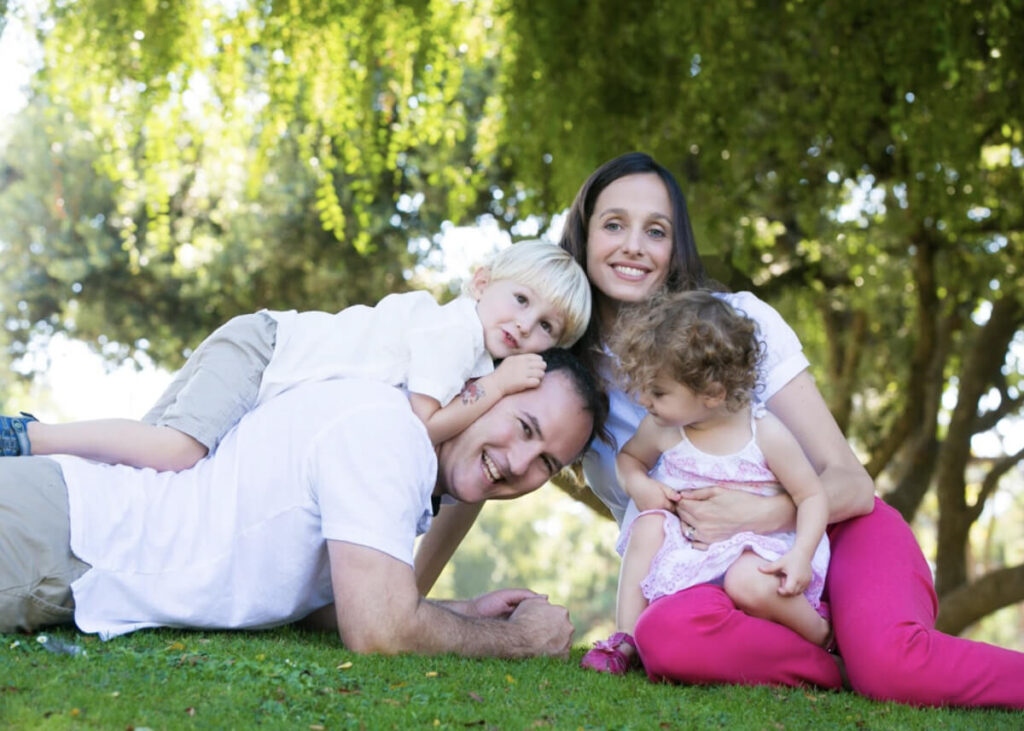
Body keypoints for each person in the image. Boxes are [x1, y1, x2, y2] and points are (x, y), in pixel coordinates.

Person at [418, 152, 1024, 708]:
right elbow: (477, 470)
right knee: (668, 639)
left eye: (656, 230)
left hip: (836, 536)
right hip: (710, 581)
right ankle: (835, 662)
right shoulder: (553, 367)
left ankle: (869, 651)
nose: (634, 246)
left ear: (675, 245)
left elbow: (851, 483)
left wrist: (758, 515)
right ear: (583, 233)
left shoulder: (738, 325)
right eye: (613, 225)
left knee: (895, 671)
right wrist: (407, 594)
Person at [0, 349, 605, 660]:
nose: (522, 464)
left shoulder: (401, 448)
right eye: (526, 427)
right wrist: (520, 642)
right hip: (59, 532)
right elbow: (378, 631)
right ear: (482, 386)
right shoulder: (387, 433)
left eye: (548, 463)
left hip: (69, 534)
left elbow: (331, 602)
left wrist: (467, 611)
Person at [0, 240, 590, 470]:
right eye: (519, 299)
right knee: (177, 451)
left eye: (545, 327)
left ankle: (35, 462)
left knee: (146, 459)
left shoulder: (468, 349)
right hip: (264, 354)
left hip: (262, 348)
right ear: (482, 282)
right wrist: (504, 385)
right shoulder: (455, 333)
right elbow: (420, 427)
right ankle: (31, 436)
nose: (524, 325)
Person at [581, 291, 831, 674]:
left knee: (745, 582)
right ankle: (625, 638)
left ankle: (820, 633)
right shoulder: (664, 427)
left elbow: (812, 495)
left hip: (759, 549)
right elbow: (630, 459)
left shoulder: (763, 433)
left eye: (659, 391)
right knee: (648, 524)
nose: (644, 399)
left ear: (712, 393)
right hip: (690, 545)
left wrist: (800, 556)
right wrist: (639, 486)